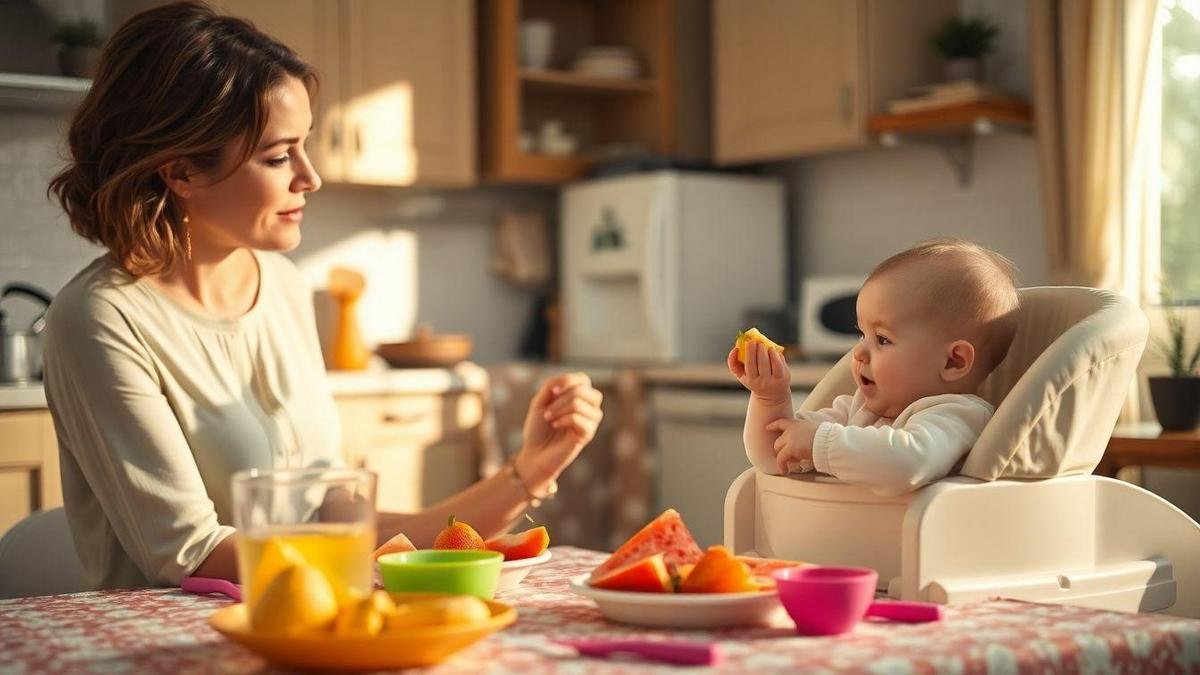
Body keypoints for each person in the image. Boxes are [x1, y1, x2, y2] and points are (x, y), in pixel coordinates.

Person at [43, 1, 602, 590]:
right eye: (279, 156)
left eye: (304, 146)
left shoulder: (283, 286)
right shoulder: (101, 318)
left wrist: (528, 471)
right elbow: (190, 554)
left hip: (315, 623)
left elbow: (338, 523)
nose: (310, 177)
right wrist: (388, 565)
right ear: (181, 173)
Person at [729, 238, 1020, 495]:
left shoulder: (959, 416)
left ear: (953, 361)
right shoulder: (853, 411)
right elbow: (773, 456)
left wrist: (820, 442)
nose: (857, 352)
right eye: (861, 335)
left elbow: (907, 463)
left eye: (882, 339)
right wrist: (771, 398)